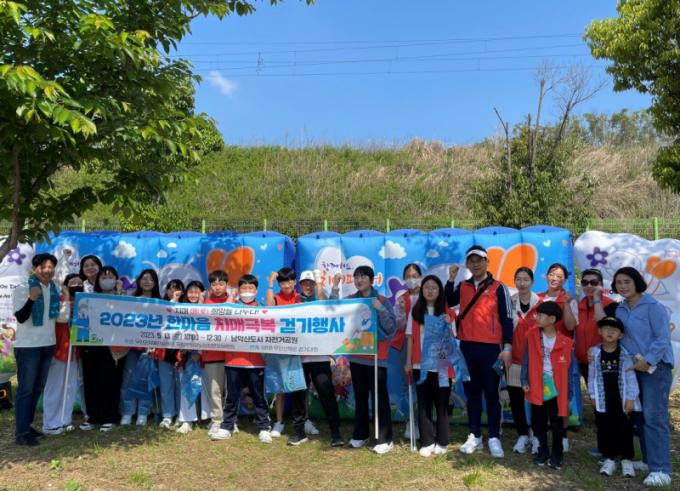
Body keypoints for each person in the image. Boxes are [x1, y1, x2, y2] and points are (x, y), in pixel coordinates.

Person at [444, 245, 513, 458]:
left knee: (492, 394)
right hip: (466, 347)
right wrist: (450, 279)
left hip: (491, 349)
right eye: (472, 261)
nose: (476, 264)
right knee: (472, 393)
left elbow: (508, 319)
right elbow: (448, 300)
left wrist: (507, 347)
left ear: (487, 262)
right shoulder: (463, 286)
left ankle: (494, 437)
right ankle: (474, 435)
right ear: (467, 264)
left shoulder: (499, 287)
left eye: (479, 260)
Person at [612, 267, 674, 487]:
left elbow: (662, 338)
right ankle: (649, 461)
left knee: (654, 418)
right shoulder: (620, 309)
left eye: (627, 281)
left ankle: (662, 470)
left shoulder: (653, 306)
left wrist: (648, 360)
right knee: (640, 417)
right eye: (619, 282)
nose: (623, 286)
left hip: (655, 368)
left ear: (637, 282)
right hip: (633, 369)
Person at [331, 265, 396, 455]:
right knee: (360, 398)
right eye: (356, 277)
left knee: (379, 398)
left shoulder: (381, 300)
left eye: (363, 277)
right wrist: (334, 287)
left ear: (371, 280)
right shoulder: (352, 300)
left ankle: (385, 439)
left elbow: (391, 328)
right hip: (357, 357)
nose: (359, 280)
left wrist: (380, 309)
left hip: (377, 358)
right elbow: (333, 311)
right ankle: (361, 434)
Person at [404, 275, 462, 457]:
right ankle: (427, 441)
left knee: (442, 404)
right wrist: (408, 362)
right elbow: (410, 339)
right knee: (424, 404)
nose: (430, 291)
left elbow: (454, 339)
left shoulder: (447, 313)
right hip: (419, 365)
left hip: (441, 367)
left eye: (434, 288)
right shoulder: (415, 312)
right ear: (422, 290)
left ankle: (442, 441)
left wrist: (449, 323)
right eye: (427, 287)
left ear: (440, 291)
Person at [211, 274, 272, 444]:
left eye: (250, 288)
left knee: (258, 396)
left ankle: (264, 427)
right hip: (233, 360)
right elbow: (219, 318)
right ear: (238, 290)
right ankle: (227, 427)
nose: (247, 291)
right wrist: (231, 299)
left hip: (256, 362)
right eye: (244, 288)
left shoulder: (262, 308)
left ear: (256, 290)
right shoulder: (231, 307)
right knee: (231, 396)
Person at [10, 253, 59, 446]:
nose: (47, 270)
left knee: (38, 388)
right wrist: (31, 299)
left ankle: (27, 425)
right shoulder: (23, 288)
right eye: (43, 267)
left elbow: (58, 316)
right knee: (26, 389)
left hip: (48, 343)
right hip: (28, 346)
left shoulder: (53, 288)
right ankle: (21, 432)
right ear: (34, 268)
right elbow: (21, 317)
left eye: (51, 267)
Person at [521, 301, 575, 470]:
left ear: (552, 319)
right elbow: (525, 360)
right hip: (537, 386)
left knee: (557, 422)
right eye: (537, 314)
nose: (536, 317)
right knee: (539, 421)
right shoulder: (532, 335)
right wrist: (524, 381)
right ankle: (542, 451)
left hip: (558, 389)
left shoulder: (566, 342)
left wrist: (569, 392)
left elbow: (570, 369)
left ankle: (557, 454)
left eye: (540, 315)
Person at [587, 316, 640, 478]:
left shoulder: (625, 354)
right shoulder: (595, 353)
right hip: (603, 399)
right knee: (605, 428)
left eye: (614, 330)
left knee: (625, 429)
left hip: (622, 400)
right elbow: (592, 376)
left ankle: (626, 459)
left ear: (621, 335)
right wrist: (593, 395)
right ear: (600, 331)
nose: (610, 332)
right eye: (606, 328)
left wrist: (631, 398)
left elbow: (631, 378)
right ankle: (609, 458)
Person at [80, 266, 125, 432]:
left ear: (116, 280)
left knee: (110, 382)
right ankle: (93, 417)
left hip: (113, 347)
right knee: (91, 381)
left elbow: (126, 314)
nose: (107, 279)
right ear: (98, 280)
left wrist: (119, 292)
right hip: (91, 345)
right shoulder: (90, 298)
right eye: (103, 277)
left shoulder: (122, 297)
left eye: (111, 276)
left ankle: (110, 417)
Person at [42, 274, 83, 435]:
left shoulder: (85, 302)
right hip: (58, 348)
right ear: (65, 285)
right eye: (72, 283)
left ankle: (65, 420)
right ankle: (50, 423)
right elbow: (60, 319)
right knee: (54, 386)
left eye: (79, 283)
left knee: (70, 386)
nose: (76, 285)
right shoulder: (57, 300)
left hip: (74, 351)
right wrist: (65, 299)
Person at [120, 269, 161, 426]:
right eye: (144, 278)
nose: (147, 281)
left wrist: (154, 344)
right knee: (128, 379)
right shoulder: (132, 300)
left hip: (151, 349)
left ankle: (143, 413)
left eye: (150, 279)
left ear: (155, 283)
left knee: (146, 381)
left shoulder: (160, 302)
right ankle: (127, 413)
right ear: (138, 281)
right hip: (133, 348)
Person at [265, 267, 301, 439]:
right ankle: (279, 422)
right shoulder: (276, 297)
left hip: (298, 348)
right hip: (279, 348)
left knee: (299, 387)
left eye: (289, 282)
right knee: (280, 388)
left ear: (294, 282)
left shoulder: (300, 298)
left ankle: (304, 420)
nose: (286, 285)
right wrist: (270, 284)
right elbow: (268, 307)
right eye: (283, 283)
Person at [508, 267, 541, 454]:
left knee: (536, 400)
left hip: (536, 362)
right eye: (518, 279)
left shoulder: (541, 304)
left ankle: (536, 435)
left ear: (532, 282)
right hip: (514, 360)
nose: (522, 283)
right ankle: (522, 434)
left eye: (526, 279)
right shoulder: (509, 303)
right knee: (516, 399)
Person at [392, 263, 422, 441]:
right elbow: (398, 325)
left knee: (425, 383)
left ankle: (424, 421)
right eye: (408, 276)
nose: (411, 279)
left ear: (421, 277)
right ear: (404, 279)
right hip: (405, 344)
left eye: (415, 275)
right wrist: (402, 311)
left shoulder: (428, 294)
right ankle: (411, 421)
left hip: (425, 344)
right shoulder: (401, 298)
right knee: (408, 383)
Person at [202, 270, 232, 438]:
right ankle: (217, 420)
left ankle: (230, 420)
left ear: (227, 285)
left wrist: (231, 301)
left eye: (221, 284)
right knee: (215, 390)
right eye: (214, 284)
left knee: (231, 390)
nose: (218, 287)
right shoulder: (206, 304)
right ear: (210, 286)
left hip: (232, 354)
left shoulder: (234, 302)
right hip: (212, 354)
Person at [176, 280, 206, 434]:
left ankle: (205, 418)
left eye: (197, 291)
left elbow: (209, 332)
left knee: (204, 389)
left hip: (204, 357)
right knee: (186, 386)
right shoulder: (181, 309)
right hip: (185, 355)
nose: (193, 295)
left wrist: (200, 352)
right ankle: (187, 419)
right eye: (190, 291)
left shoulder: (208, 309)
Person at [154, 279, 185, 429]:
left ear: (182, 292)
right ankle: (167, 415)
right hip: (164, 351)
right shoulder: (160, 306)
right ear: (166, 291)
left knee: (180, 385)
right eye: (171, 288)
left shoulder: (187, 308)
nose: (174, 291)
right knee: (166, 384)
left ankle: (180, 414)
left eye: (177, 288)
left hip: (181, 352)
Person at [576, 269, 615, 382]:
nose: (589, 286)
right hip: (584, 363)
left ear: (601, 285)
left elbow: (604, 325)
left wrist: (597, 299)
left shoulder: (611, 305)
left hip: (605, 361)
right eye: (585, 282)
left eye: (593, 283)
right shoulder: (578, 306)